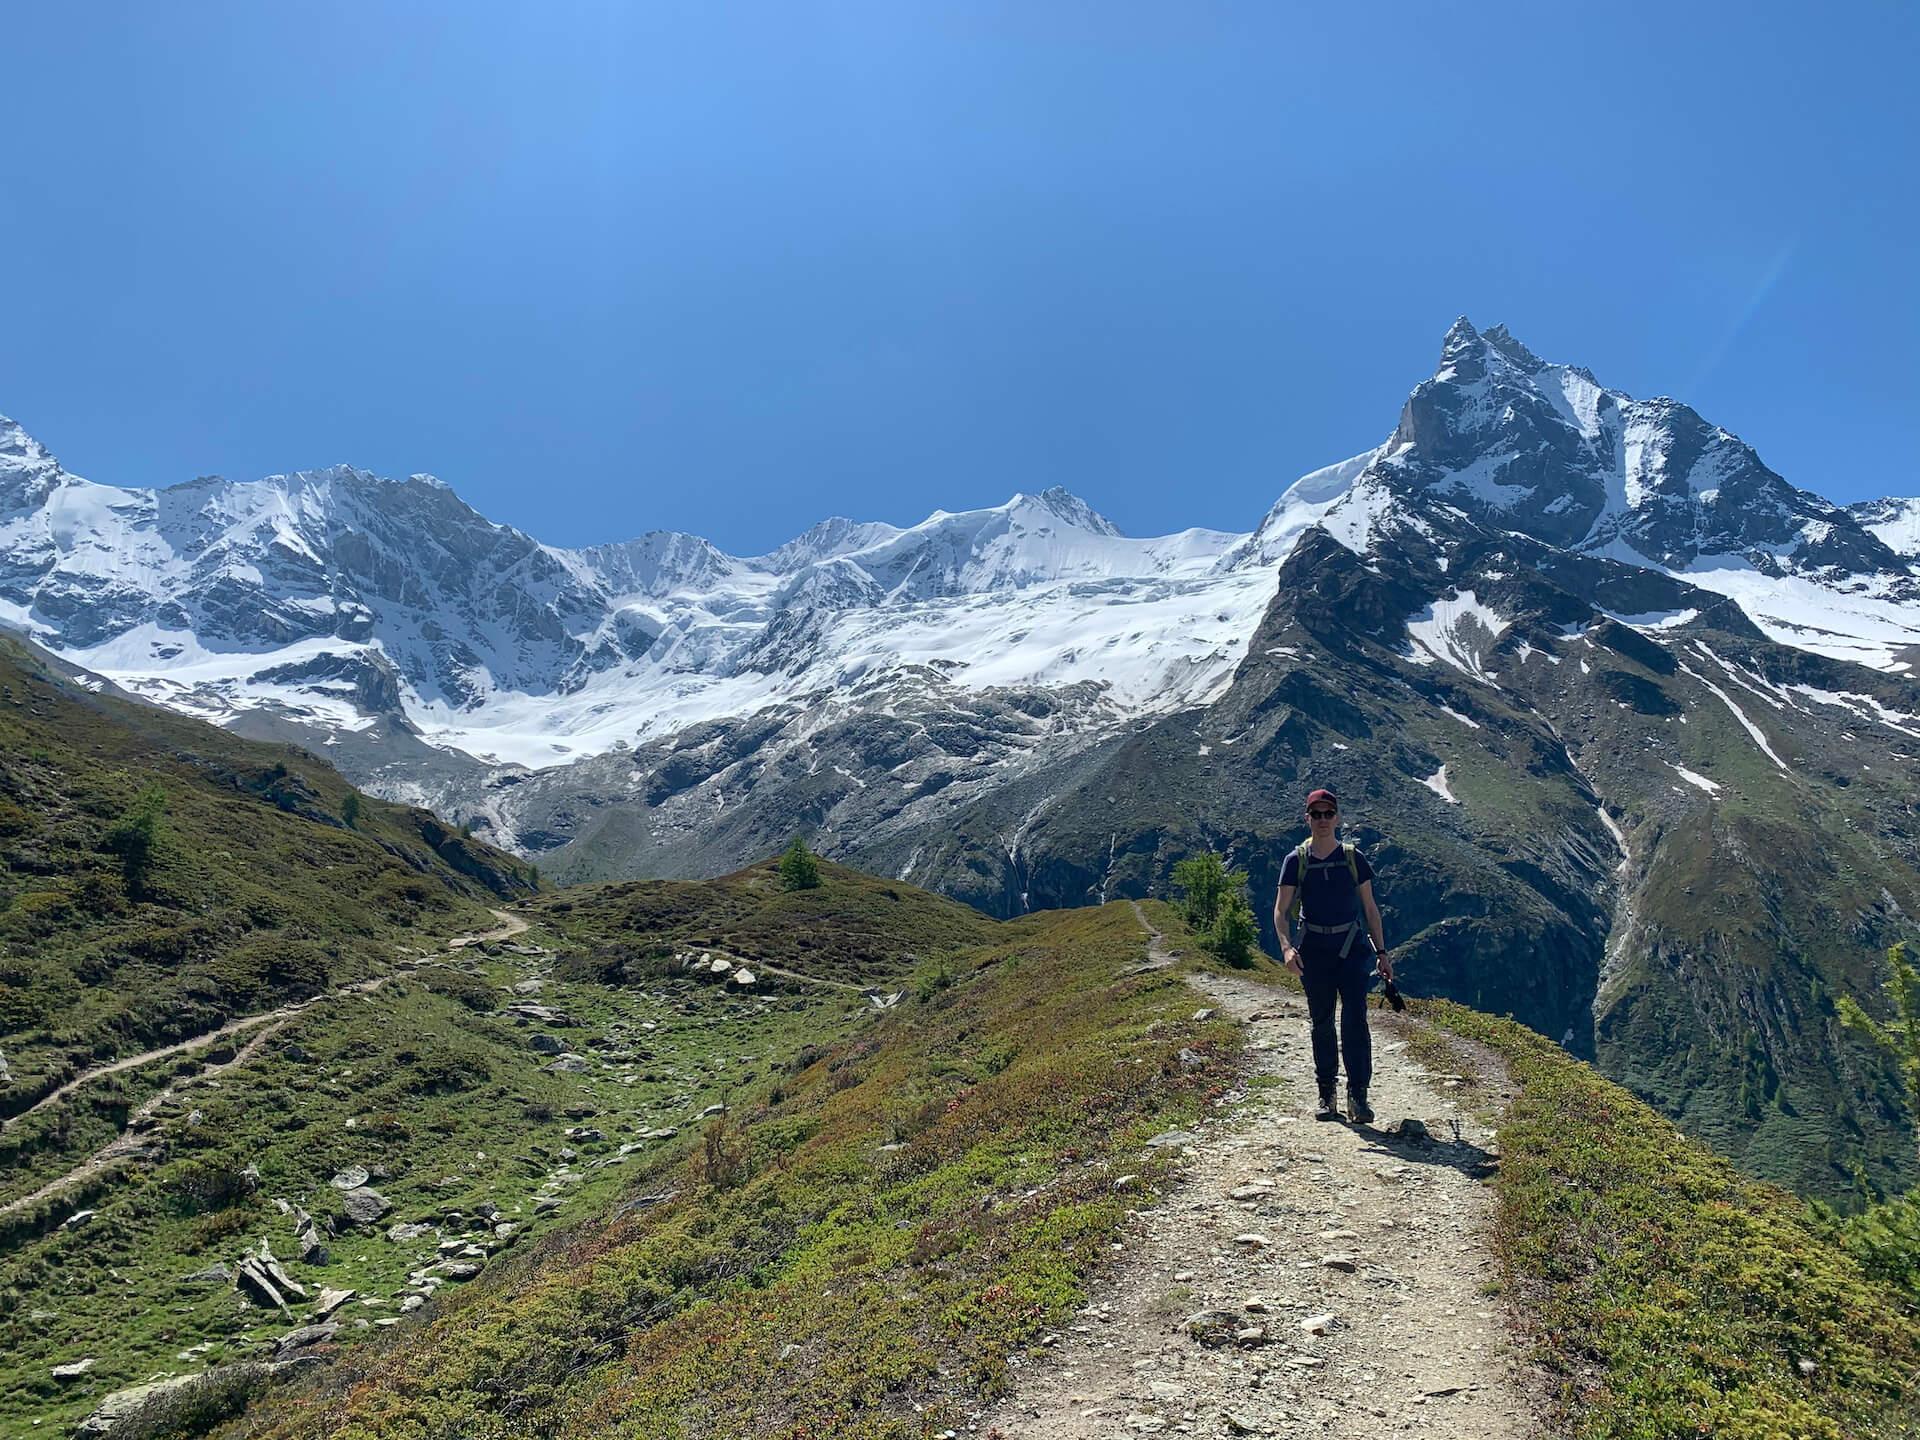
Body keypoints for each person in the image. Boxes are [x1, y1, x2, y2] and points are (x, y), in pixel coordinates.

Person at [1272, 788, 1391, 1123]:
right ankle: (1327, 1094)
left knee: (1355, 1020)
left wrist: (1382, 953)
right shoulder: (1295, 860)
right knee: (1322, 1022)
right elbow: (1280, 911)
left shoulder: (1354, 858)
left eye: (1328, 814)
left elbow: (1370, 908)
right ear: (1307, 818)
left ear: (1337, 818)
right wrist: (1286, 947)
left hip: (1351, 949)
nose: (1322, 820)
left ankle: (1358, 1096)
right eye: (1316, 814)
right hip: (1313, 951)